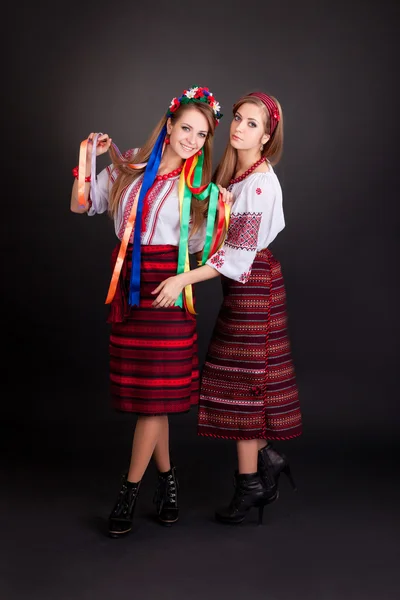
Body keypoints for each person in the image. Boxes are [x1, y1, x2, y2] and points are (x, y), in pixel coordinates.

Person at [70, 85, 228, 537]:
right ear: (170, 125)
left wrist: (181, 278)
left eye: (202, 135)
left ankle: (128, 489)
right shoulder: (131, 167)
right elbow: (82, 203)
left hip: (169, 288)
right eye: (187, 129)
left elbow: (202, 249)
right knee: (148, 399)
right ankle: (168, 481)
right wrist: (89, 160)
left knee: (152, 403)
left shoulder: (200, 188)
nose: (193, 141)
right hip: (129, 288)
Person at [152, 91, 302, 525]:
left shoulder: (257, 183)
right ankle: (267, 461)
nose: (239, 127)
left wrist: (182, 277)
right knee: (233, 380)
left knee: (243, 388)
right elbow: (212, 236)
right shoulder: (237, 175)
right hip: (243, 286)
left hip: (255, 286)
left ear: (267, 134)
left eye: (252, 123)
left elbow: (235, 257)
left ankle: (251, 485)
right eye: (238, 118)